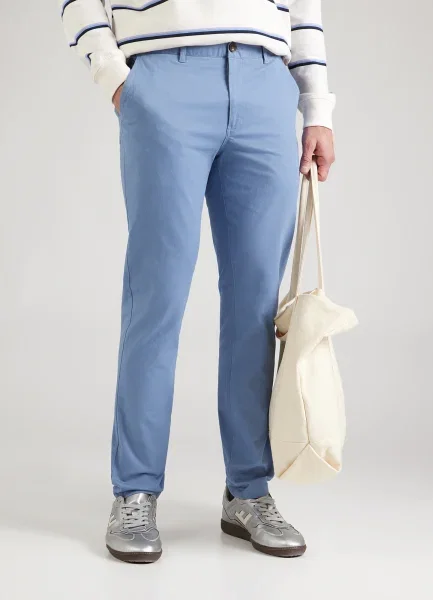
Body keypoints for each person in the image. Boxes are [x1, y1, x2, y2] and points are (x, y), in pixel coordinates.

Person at [59, 0, 335, 563]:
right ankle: (135, 490)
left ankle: (248, 490)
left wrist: (316, 107)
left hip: (266, 82)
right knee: (156, 296)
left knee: (257, 308)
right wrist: (114, 77)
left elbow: (303, 7)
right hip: (165, 78)